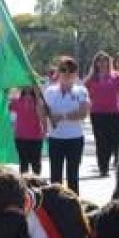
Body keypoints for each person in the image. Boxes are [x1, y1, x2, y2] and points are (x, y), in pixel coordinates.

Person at [43, 56, 90, 192]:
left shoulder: (81, 91)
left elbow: (82, 113)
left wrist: (62, 116)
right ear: (58, 72)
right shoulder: (49, 91)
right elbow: (43, 112)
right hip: (55, 138)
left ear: (76, 73)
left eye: (71, 70)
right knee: (55, 177)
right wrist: (43, 112)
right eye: (63, 70)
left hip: (74, 138)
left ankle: (73, 208)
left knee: (73, 176)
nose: (67, 73)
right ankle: (54, 208)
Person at [9, 85, 48, 176]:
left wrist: (45, 130)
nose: (27, 87)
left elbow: (43, 116)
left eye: (30, 84)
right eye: (25, 84)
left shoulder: (38, 101)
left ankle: (37, 185)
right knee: (23, 165)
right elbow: (4, 108)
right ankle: (24, 186)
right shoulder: (16, 100)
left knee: (36, 165)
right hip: (20, 137)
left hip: (35, 137)